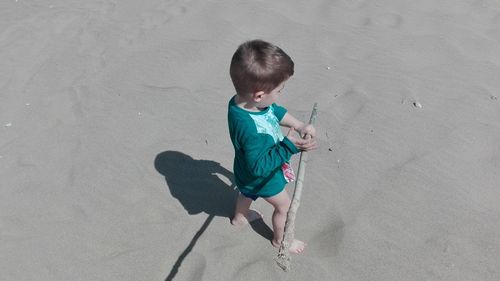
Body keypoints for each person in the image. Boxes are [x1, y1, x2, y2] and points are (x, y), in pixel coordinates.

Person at [227, 39, 317, 254]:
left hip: (244, 170)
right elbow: (259, 166)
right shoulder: (250, 130)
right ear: (259, 94)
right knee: (283, 206)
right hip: (263, 176)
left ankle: (239, 218)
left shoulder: (243, 102)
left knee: (246, 192)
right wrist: (288, 147)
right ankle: (280, 241)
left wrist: (298, 124)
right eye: (279, 90)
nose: (280, 94)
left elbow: (274, 111)